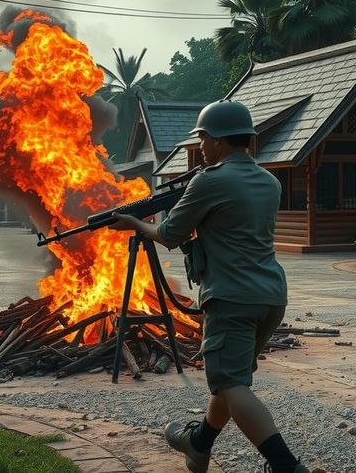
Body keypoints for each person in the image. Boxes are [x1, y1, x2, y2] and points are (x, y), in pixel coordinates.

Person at [110, 100, 308, 473]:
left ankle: (287, 467)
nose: (200, 145)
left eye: (202, 138)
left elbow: (170, 234)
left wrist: (135, 223)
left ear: (217, 140)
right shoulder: (270, 181)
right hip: (270, 296)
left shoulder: (209, 180)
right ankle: (198, 443)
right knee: (227, 380)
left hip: (232, 297)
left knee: (233, 386)